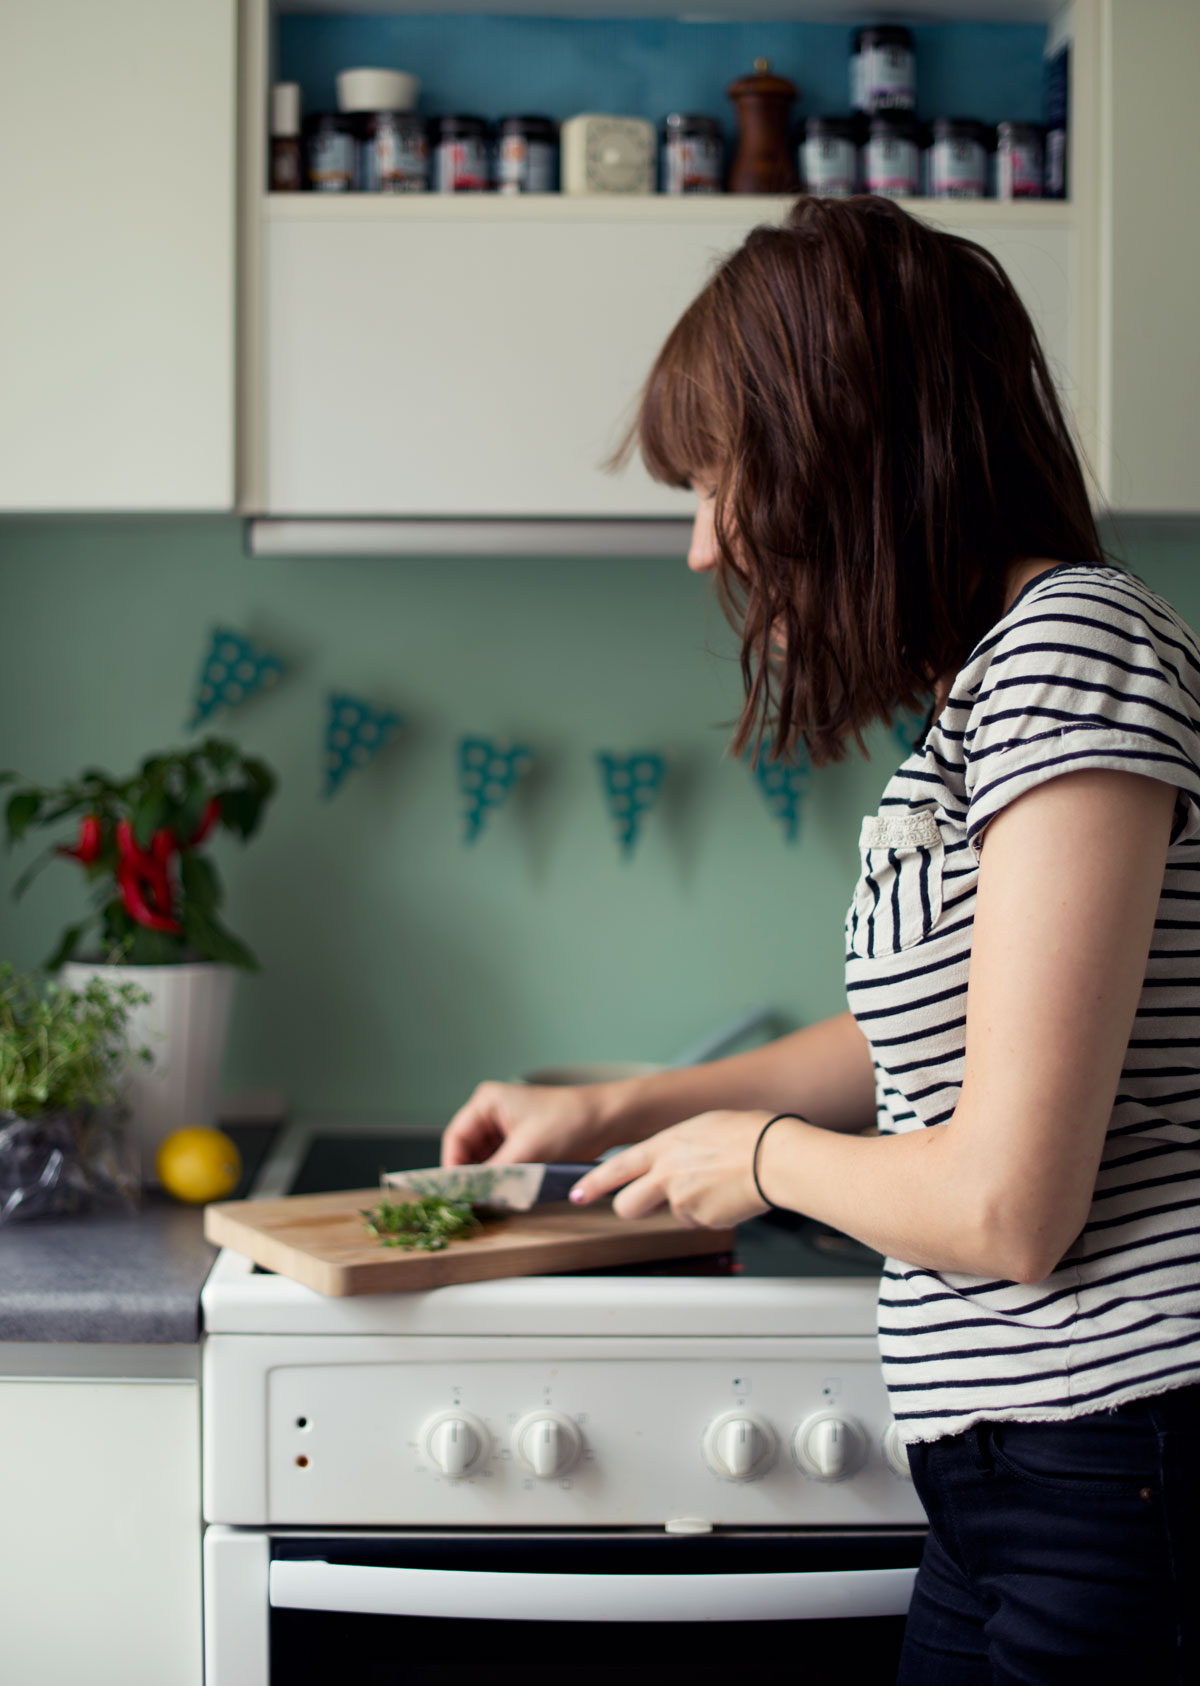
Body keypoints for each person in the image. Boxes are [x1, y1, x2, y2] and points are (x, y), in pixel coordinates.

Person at [441, 195, 1200, 1682]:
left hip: (1120, 1462)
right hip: (1018, 1485)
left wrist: (758, 1156)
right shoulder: (981, 697)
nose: (703, 542)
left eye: (719, 480)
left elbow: (1008, 1203)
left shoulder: (1076, 647)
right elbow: (945, 1039)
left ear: (841, 447)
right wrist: (627, 1104)